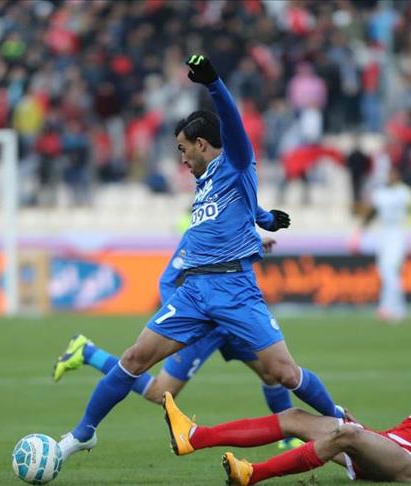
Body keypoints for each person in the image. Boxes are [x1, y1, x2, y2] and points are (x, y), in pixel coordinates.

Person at [56, 55, 344, 461]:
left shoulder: (235, 162)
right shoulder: (204, 182)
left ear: (202, 144)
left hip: (233, 289)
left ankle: (340, 423)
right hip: (193, 291)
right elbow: (235, 210)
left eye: (183, 149)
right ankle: (81, 435)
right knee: (134, 358)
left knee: (283, 372)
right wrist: (264, 218)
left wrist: (214, 84)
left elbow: (234, 127)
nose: (181, 158)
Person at [162, 293, 411, 485]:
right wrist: (371, 434)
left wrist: (363, 437)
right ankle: (194, 437)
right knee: (295, 416)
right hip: (394, 445)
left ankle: (252, 475)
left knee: (345, 433)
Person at [53, 231, 304, 450]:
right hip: (203, 328)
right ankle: (87, 352)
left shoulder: (234, 219)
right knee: (160, 392)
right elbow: (167, 281)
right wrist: (178, 329)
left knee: (273, 373)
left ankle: (289, 437)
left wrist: (256, 243)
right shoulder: (197, 234)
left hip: (234, 322)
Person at [354, 165, 411, 322]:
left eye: (394, 173)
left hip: (399, 232)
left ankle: (391, 308)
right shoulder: (380, 193)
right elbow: (372, 213)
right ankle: (392, 308)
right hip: (384, 234)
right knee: (386, 271)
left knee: (390, 270)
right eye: (389, 174)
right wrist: (361, 230)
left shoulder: (406, 192)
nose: (391, 176)